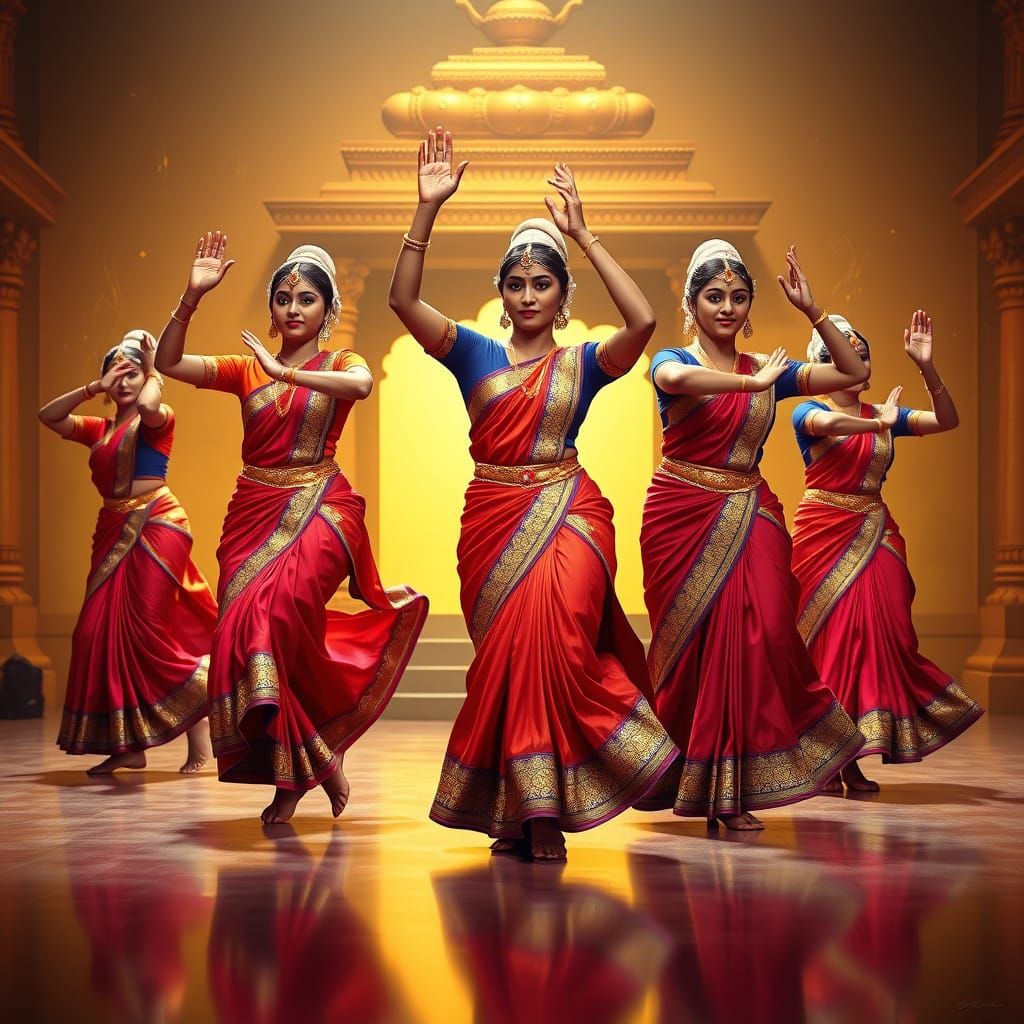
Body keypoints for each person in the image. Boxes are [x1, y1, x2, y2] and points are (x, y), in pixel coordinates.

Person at [388, 127, 677, 861]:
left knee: (562, 649)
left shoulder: (584, 361)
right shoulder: (473, 354)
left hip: (570, 514)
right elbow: (401, 298)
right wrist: (427, 211)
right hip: (493, 518)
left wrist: (583, 234)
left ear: (561, 294)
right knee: (512, 663)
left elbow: (642, 322)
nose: (526, 296)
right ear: (501, 293)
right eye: (514, 284)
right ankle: (524, 809)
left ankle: (559, 805)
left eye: (541, 283)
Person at [155, 232, 427, 823]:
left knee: (276, 619)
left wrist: (288, 374)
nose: (294, 308)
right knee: (249, 638)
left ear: (327, 311)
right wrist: (192, 296)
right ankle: (313, 764)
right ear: (272, 309)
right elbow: (169, 362)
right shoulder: (244, 369)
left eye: (307, 298)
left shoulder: (340, 363)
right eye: (284, 297)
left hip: (322, 507)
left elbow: (361, 387)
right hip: (253, 511)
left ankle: (298, 776)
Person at [639, 239, 867, 830]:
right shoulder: (672, 358)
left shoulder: (766, 367)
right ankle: (709, 786)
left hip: (752, 510)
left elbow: (853, 371)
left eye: (739, 297)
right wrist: (752, 385)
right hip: (682, 513)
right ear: (691, 303)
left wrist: (813, 312)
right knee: (701, 649)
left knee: (762, 634)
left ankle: (735, 783)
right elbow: (673, 378)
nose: (727, 308)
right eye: (714, 296)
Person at [790, 309, 983, 791]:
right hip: (825, 534)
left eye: (863, 354)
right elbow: (827, 424)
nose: (857, 361)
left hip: (877, 532)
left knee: (889, 635)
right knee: (833, 646)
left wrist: (927, 368)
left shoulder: (883, 415)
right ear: (826, 364)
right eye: (845, 354)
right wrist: (881, 426)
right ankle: (839, 757)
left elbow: (946, 420)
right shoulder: (805, 411)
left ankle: (873, 737)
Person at [39, 330, 217, 774]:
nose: (123, 380)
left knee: (150, 634)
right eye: (114, 372)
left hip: (158, 526)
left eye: (131, 372)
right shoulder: (98, 429)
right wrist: (90, 389)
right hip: (113, 528)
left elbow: (152, 406)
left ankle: (201, 743)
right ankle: (127, 746)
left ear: (145, 377)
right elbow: (48, 416)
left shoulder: (157, 419)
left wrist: (157, 370)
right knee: (96, 635)